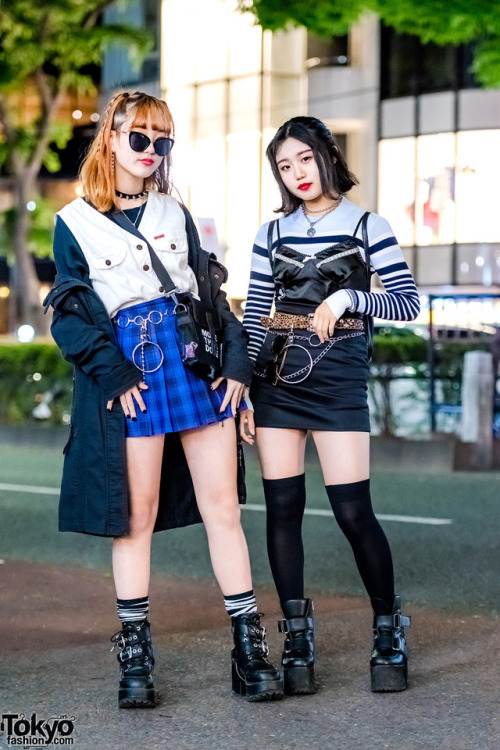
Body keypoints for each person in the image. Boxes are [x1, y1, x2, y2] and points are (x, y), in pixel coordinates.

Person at [44, 91, 283, 707]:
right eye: (141, 138)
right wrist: (115, 375)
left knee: (224, 507)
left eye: (163, 141)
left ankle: (249, 645)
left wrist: (237, 365)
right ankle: (135, 653)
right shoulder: (72, 222)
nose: (152, 152)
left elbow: (210, 294)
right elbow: (69, 317)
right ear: (111, 139)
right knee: (136, 515)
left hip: (193, 360)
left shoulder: (173, 212)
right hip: (133, 368)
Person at [240, 116, 419, 695]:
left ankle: (388, 628)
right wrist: (241, 388)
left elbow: (408, 304)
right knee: (283, 509)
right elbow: (255, 316)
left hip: (339, 373)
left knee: (351, 512)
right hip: (276, 378)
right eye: (284, 166)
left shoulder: (369, 224)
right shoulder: (269, 235)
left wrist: (348, 295)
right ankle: (296, 634)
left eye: (304, 159)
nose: (297, 174)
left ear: (327, 155)